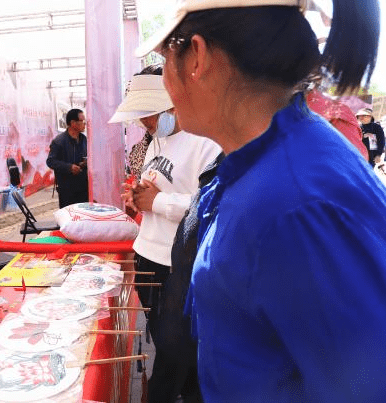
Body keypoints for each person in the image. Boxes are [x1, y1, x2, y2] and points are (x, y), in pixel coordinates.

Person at [137, 0, 385, 401]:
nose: (165, 81)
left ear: (197, 56)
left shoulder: (296, 204)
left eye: (166, 58)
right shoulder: (261, 164)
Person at [109, 69, 221, 403]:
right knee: (167, 343)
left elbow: (214, 205)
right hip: (147, 257)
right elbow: (156, 189)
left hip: (179, 265)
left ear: (175, 101)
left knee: (175, 353)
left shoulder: (208, 143)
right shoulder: (156, 141)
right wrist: (138, 198)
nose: (145, 121)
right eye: (140, 114)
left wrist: (158, 202)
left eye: (151, 112)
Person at [46, 108, 89, 208]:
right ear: (73, 123)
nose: (85, 124)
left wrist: (86, 162)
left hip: (83, 188)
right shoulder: (59, 141)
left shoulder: (84, 139)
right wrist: (69, 167)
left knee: (84, 214)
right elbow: (51, 161)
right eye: (82, 121)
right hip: (67, 190)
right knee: (69, 215)